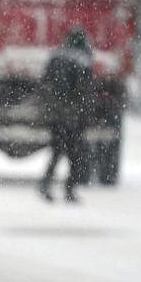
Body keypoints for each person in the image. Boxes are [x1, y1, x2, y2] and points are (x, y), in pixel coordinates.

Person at [38, 27, 95, 203]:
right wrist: (85, 114)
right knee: (74, 154)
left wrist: (49, 108)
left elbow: (45, 83)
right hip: (73, 116)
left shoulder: (56, 57)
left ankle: (46, 183)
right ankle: (69, 188)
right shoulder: (83, 61)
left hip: (56, 114)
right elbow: (84, 91)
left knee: (56, 151)